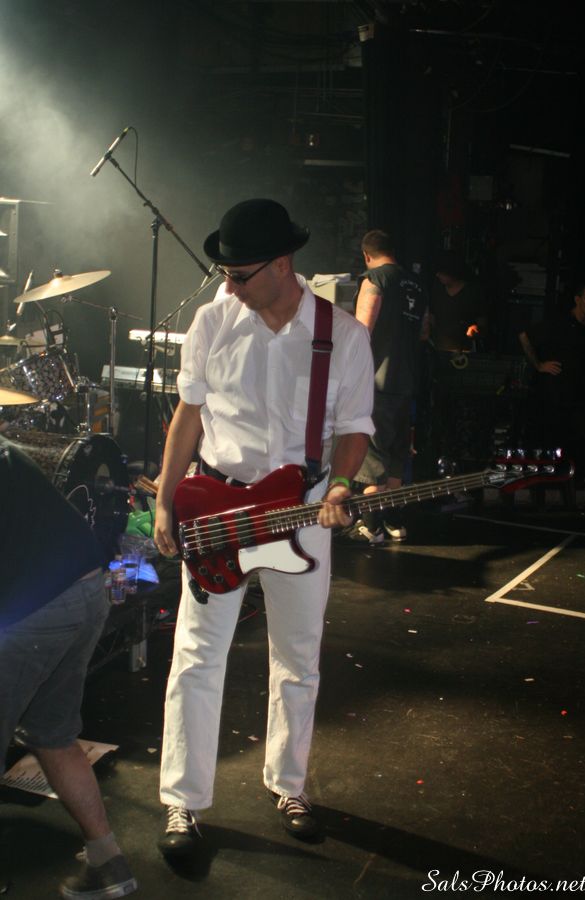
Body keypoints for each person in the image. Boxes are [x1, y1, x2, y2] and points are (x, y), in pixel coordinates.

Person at [153, 198, 374, 856]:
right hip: (217, 508)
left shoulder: (342, 334)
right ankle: (182, 803)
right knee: (196, 657)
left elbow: (354, 427)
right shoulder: (212, 321)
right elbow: (188, 416)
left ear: (282, 264)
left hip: (302, 513)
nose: (229, 286)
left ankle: (289, 784)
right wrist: (166, 498)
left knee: (298, 658)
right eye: (224, 273)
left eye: (239, 274)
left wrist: (341, 485)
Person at [0, 434, 137, 899]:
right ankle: (107, 861)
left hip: (40, 607)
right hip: (89, 591)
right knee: (53, 736)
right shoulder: (7, 450)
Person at [346, 228, 428, 545]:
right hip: (407, 380)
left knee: (372, 456)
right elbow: (424, 330)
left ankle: (371, 527)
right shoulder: (417, 284)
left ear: (367, 255)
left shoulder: (375, 279)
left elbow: (362, 330)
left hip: (376, 382)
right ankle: (395, 522)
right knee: (396, 455)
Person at [517, 278, 585, 480]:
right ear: (578, 299)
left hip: (580, 395)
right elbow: (525, 336)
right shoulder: (560, 323)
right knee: (554, 440)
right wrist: (539, 365)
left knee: (581, 441)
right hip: (556, 395)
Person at [429, 249, 487, 352]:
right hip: (439, 349)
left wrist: (475, 330)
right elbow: (432, 316)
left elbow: (482, 322)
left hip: (463, 351)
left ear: (451, 271)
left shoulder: (472, 293)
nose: (438, 275)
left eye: (442, 272)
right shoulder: (437, 289)